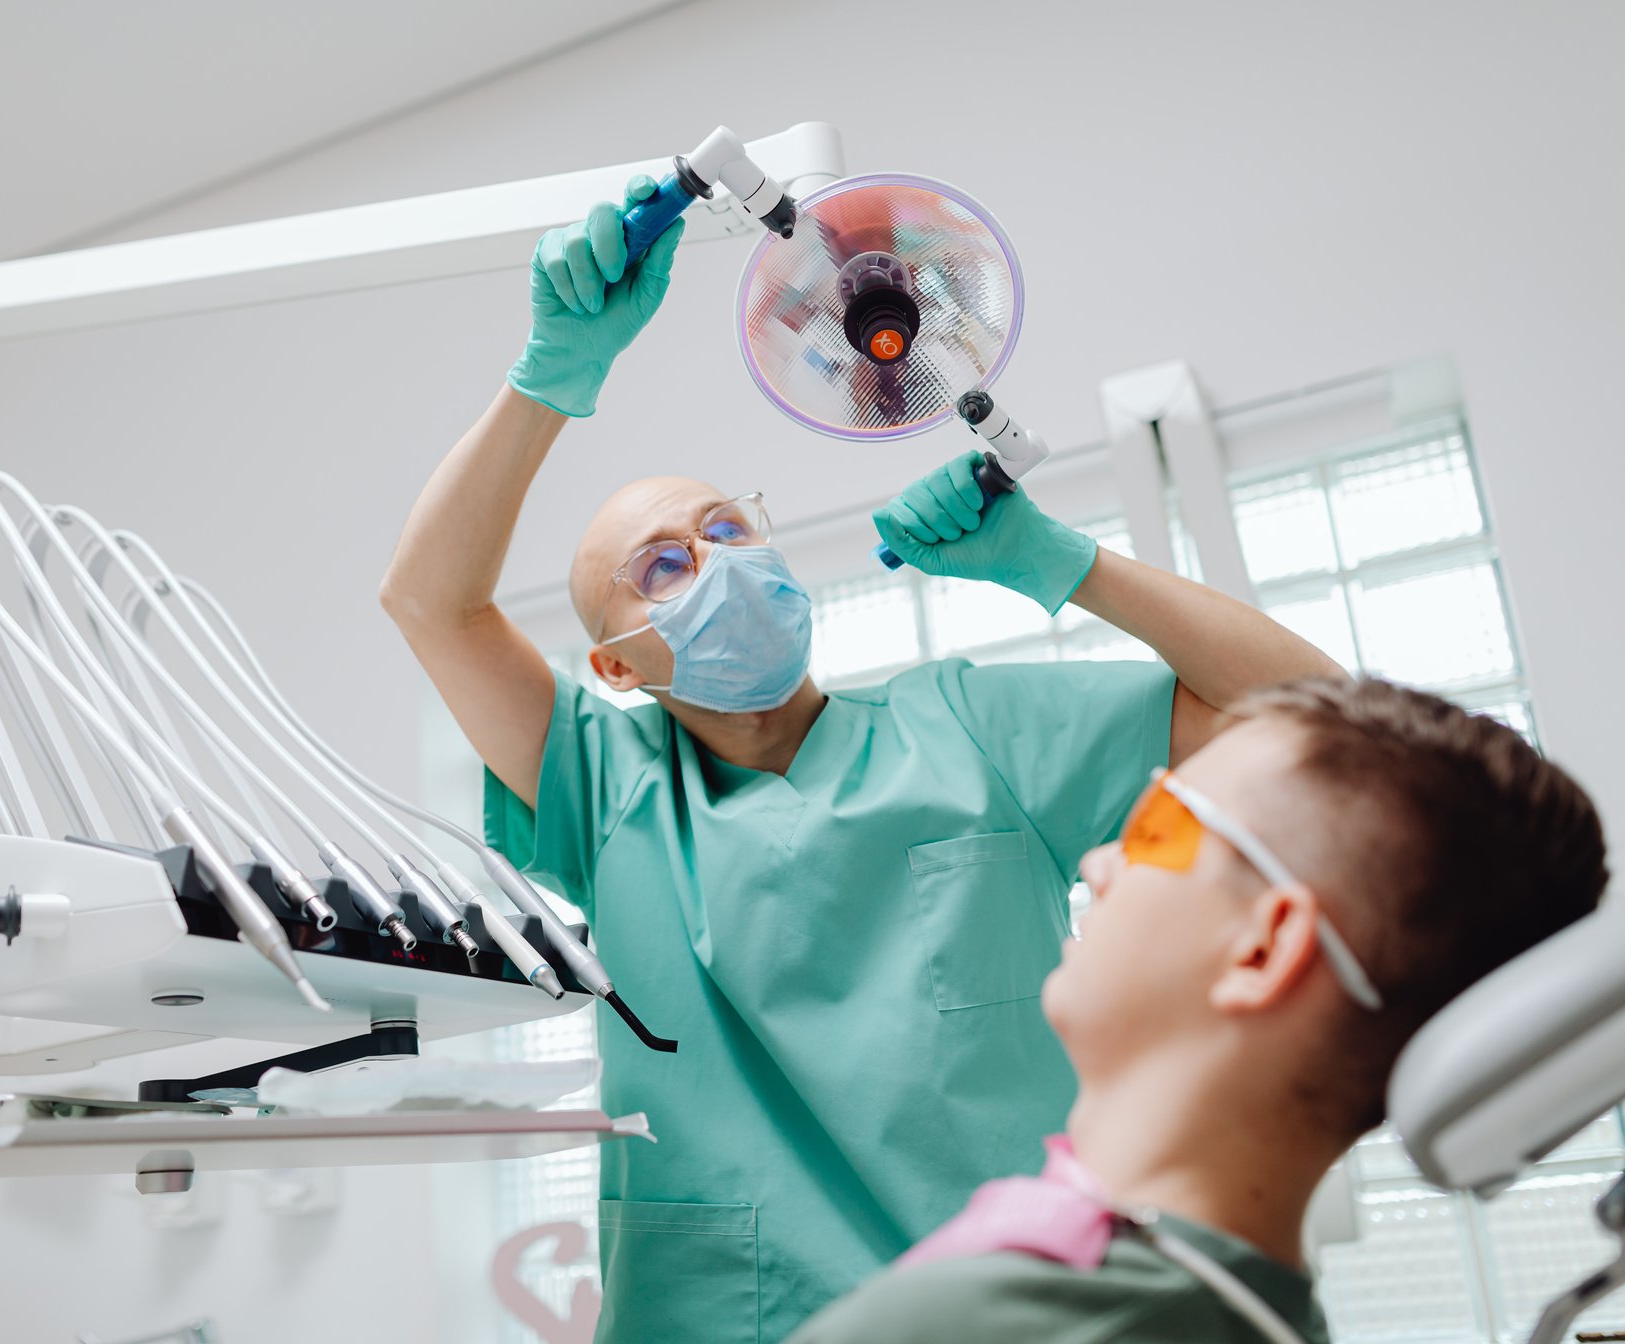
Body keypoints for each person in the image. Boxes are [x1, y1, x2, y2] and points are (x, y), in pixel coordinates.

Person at [378, 179, 1341, 1344]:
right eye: (664, 568)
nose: (718, 562)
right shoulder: (605, 785)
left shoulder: (971, 728)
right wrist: (551, 376)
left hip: (1017, 1313)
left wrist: (1065, 563)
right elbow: (432, 601)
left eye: (728, 528)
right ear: (620, 667)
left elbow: (1314, 716)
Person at [785, 678, 1609, 1344]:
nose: (1099, 861)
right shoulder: (1232, 1311)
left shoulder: (995, 1324)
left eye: (1159, 828)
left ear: (1262, 949)